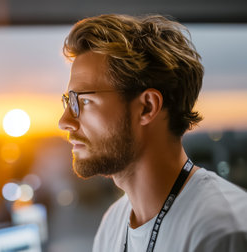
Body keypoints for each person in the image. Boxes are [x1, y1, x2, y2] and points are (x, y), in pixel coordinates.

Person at [58, 14, 247, 252]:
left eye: (83, 101)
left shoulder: (221, 232)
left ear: (147, 107)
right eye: (68, 101)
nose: (64, 121)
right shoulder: (113, 223)